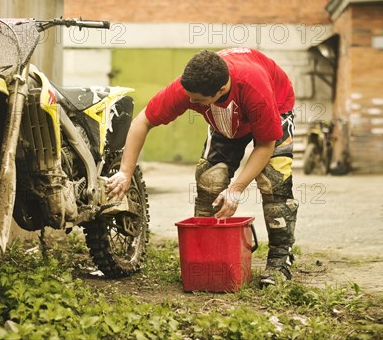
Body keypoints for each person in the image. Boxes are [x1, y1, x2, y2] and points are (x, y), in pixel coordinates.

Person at [106, 48, 299, 287]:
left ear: (220, 91)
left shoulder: (254, 87)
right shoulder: (187, 89)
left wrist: (237, 188)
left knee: (273, 180)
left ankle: (280, 260)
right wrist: (125, 172)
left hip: (274, 105)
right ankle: (206, 256)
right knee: (211, 178)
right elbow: (142, 122)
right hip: (227, 117)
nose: (191, 103)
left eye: (197, 101)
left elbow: (264, 146)